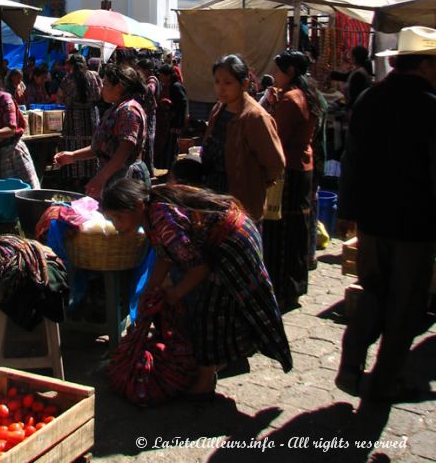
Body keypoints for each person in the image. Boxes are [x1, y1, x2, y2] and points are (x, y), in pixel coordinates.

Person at [102, 180, 292, 398]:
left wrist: (175, 293)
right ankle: (215, 363)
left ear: (137, 205)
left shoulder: (162, 218)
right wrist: (149, 291)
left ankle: (205, 380)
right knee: (211, 306)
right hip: (222, 241)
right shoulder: (152, 212)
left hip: (233, 243)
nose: (117, 225)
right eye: (111, 220)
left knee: (207, 310)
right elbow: (165, 255)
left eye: (119, 218)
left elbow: (198, 269)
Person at [335, 26, 436, 402]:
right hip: (415, 224)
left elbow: (351, 159)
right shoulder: (429, 106)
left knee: (374, 294)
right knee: (405, 306)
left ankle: (350, 364)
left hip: (373, 220)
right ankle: (384, 382)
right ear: (425, 65)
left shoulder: (370, 100)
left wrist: (347, 210)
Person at [261, 49, 321, 312]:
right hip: (304, 166)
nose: (274, 75)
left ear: (291, 72)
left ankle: (282, 289)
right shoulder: (307, 95)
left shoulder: (291, 100)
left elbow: (275, 136)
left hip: (290, 168)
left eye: (278, 70)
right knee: (298, 226)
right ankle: (294, 286)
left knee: (282, 230)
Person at [201, 55, 284, 223]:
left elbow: (275, 163)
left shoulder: (255, 117)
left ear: (244, 84)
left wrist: (253, 181)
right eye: (217, 82)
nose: (220, 88)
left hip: (241, 204)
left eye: (228, 83)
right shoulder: (219, 109)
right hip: (213, 195)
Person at [54, 64, 148, 199]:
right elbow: (101, 148)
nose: (101, 88)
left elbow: (125, 149)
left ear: (119, 87)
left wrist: (101, 178)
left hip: (125, 180)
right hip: (113, 175)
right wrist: (73, 156)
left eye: (105, 84)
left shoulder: (129, 111)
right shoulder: (116, 109)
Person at [57, 53, 102, 188]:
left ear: (70, 65)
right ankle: (91, 175)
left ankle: (76, 179)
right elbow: (99, 94)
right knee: (91, 143)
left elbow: (60, 97)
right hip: (91, 115)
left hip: (74, 115)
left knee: (74, 144)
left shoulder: (68, 79)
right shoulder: (94, 75)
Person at [154, 63, 188, 171]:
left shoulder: (175, 87)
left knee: (172, 148)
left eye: (162, 75)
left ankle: (172, 172)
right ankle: (170, 170)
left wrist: (177, 123)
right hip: (173, 122)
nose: (160, 77)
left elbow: (182, 104)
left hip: (175, 123)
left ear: (168, 75)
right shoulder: (172, 85)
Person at [136, 58, 159, 177]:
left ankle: (149, 171)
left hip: (149, 116)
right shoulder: (149, 80)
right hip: (147, 115)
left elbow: (150, 90)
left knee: (148, 142)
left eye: (139, 69)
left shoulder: (151, 81)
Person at [330, 45, 373, 109]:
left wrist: (346, 108)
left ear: (355, 58)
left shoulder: (359, 74)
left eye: (351, 55)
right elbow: (345, 77)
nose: (349, 58)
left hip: (357, 109)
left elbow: (355, 97)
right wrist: (330, 73)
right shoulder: (358, 71)